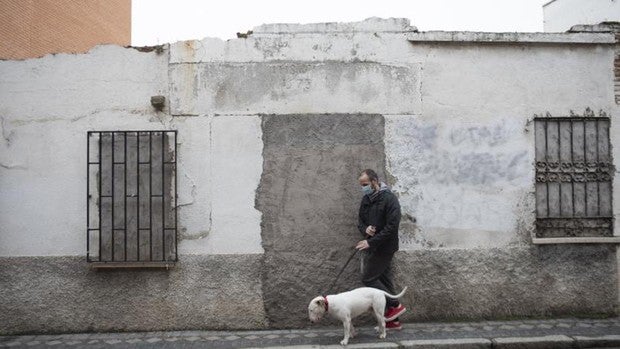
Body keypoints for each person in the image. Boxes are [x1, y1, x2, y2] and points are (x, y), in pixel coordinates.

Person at [355, 169, 406, 330]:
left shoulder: (389, 199)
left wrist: (371, 242)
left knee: (368, 278)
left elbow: (392, 226)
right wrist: (366, 230)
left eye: (365, 184)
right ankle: (393, 321)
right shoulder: (366, 199)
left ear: (375, 182)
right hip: (374, 247)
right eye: (361, 185)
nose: (363, 188)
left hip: (385, 247)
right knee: (384, 280)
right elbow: (360, 221)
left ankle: (395, 304)